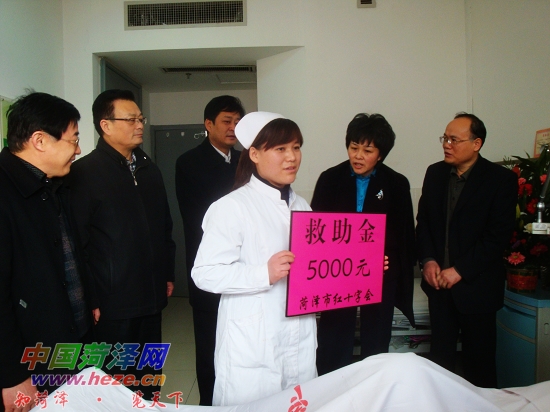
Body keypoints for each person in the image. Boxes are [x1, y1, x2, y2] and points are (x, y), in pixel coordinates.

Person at [191, 112, 317, 406]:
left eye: (296, 147)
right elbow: (204, 273)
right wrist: (263, 273)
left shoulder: (302, 206)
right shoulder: (231, 207)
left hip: (298, 334)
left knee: (297, 402)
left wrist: (364, 268)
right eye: (281, 148)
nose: (292, 157)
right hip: (252, 343)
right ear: (255, 154)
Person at [68, 89, 176, 400]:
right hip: (112, 302)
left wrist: (167, 274)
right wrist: (90, 296)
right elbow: (78, 243)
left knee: (149, 379)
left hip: (151, 296)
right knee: (115, 384)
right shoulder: (84, 173)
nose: (139, 125)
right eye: (131, 120)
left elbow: (164, 226)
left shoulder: (149, 169)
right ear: (105, 125)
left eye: (141, 119)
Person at [0, 92, 90, 412]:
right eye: (73, 139)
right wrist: (12, 376)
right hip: (28, 361)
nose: (78, 149)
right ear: (39, 140)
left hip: (65, 344)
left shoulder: (52, 185)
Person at [416, 112, 518, 388]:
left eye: (454, 140)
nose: (446, 145)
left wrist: (459, 270)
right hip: (439, 288)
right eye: (444, 138)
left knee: (479, 365)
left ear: (476, 144)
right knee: (440, 364)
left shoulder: (500, 180)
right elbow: (424, 223)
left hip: (478, 289)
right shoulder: (435, 173)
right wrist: (428, 260)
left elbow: (496, 237)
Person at [312, 113, 416, 375]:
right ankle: (332, 387)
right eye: (353, 147)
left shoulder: (396, 183)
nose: (358, 156)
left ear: (380, 155)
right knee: (334, 338)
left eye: (367, 151)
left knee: (376, 339)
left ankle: (373, 387)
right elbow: (315, 230)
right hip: (338, 271)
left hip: (379, 272)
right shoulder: (330, 179)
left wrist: (385, 257)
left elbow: (403, 234)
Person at [175, 95, 245, 405]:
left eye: (237, 122)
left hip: (243, 268)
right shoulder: (189, 162)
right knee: (209, 346)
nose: (233, 128)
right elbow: (199, 219)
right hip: (209, 267)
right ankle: (209, 404)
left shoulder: (246, 160)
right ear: (208, 124)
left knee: (240, 346)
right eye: (227, 121)